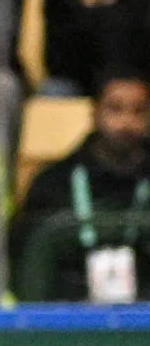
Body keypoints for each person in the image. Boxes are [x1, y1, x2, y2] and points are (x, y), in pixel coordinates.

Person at [11, 66, 150, 301]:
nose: (127, 122)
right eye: (115, 109)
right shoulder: (53, 183)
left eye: (139, 111)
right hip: (66, 318)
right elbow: (22, 258)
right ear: (94, 112)